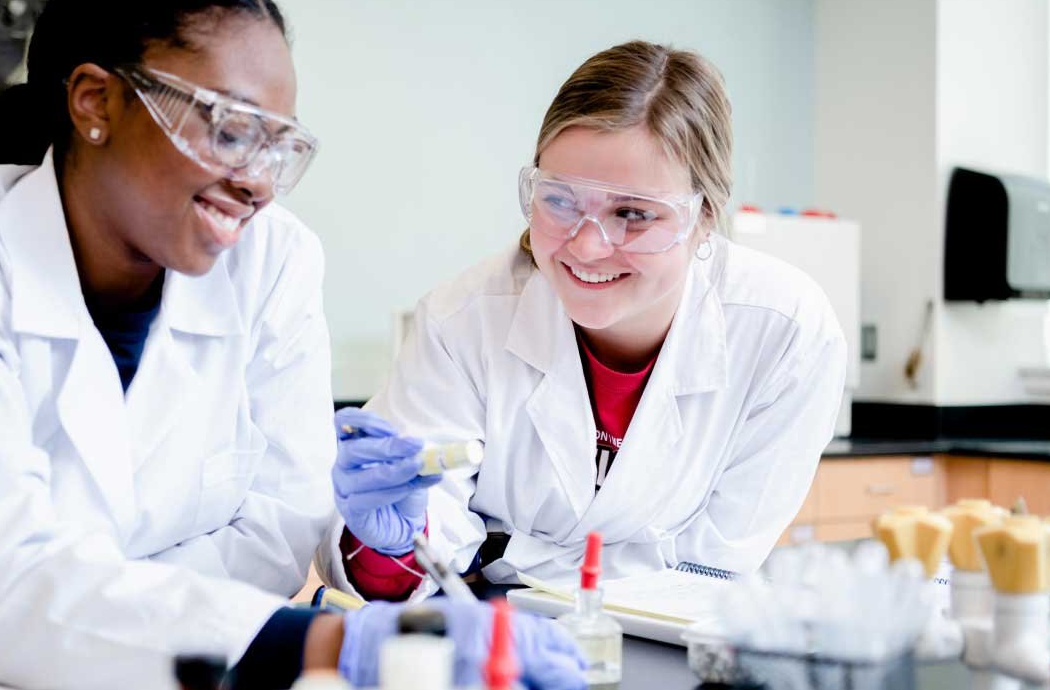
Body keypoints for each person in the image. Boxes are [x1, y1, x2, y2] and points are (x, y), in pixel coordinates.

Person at [0, 0, 586, 688]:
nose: (260, 183)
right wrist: (342, 643)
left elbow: (271, 534)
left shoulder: (275, 265)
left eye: (280, 146)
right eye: (231, 130)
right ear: (95, 102)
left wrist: (48, 605)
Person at [319, 40, 847, 601]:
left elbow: (713, 567)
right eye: (561, 202)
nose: (588, 247)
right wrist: (391, 546)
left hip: (667, 639)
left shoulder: (786, 332)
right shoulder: (463, 322)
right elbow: (405, 562)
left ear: (705, 217)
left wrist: (498, 552)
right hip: (490, 633)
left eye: (633, 214)